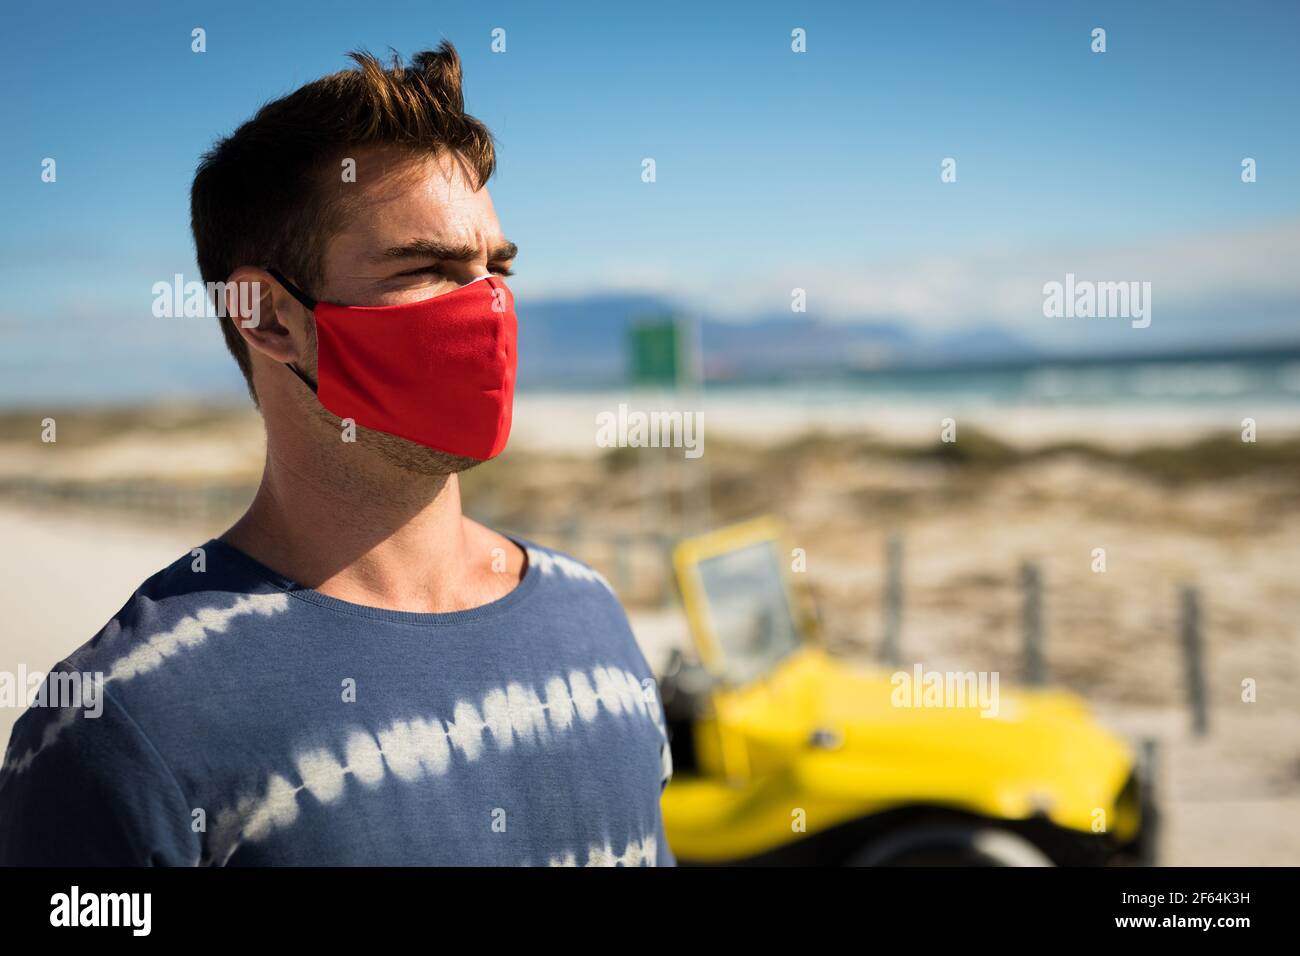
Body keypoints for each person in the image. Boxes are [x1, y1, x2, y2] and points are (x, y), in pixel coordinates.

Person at [0, 42, 673, 866]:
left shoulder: (594, 617)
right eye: (429, 267)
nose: (488, 307)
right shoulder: (119, 724)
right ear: (268, 317)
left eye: (496, 267)